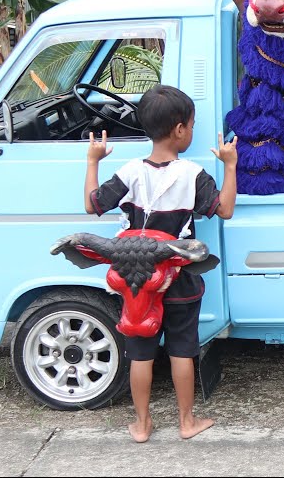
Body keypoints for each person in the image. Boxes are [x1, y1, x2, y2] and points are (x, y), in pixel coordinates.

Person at [83, 84, 237, 443]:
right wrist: (230, 166)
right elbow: (225, 209)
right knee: (182, 351)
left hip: (136, 279)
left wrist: (93, 161)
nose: (192, 131)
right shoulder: (193, 174)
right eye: (192, 125)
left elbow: (92, 204)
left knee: (140, 353)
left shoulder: (129, 171)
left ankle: (142, 425)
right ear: (180, 130)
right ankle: (186, 422)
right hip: (179, 279)